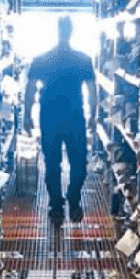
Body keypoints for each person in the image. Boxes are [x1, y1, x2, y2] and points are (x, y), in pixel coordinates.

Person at [24, 15, 96, 224]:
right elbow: (92, 91)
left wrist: (27, 115)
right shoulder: (83, 59)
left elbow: (29, 89)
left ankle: (60, 204)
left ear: (59, 31)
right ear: (70, 31)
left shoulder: (42, 59)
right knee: (77, 163)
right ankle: (68, 201)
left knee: (53, 163)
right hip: (73, 116)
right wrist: (94, 114)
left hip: (50, 116)